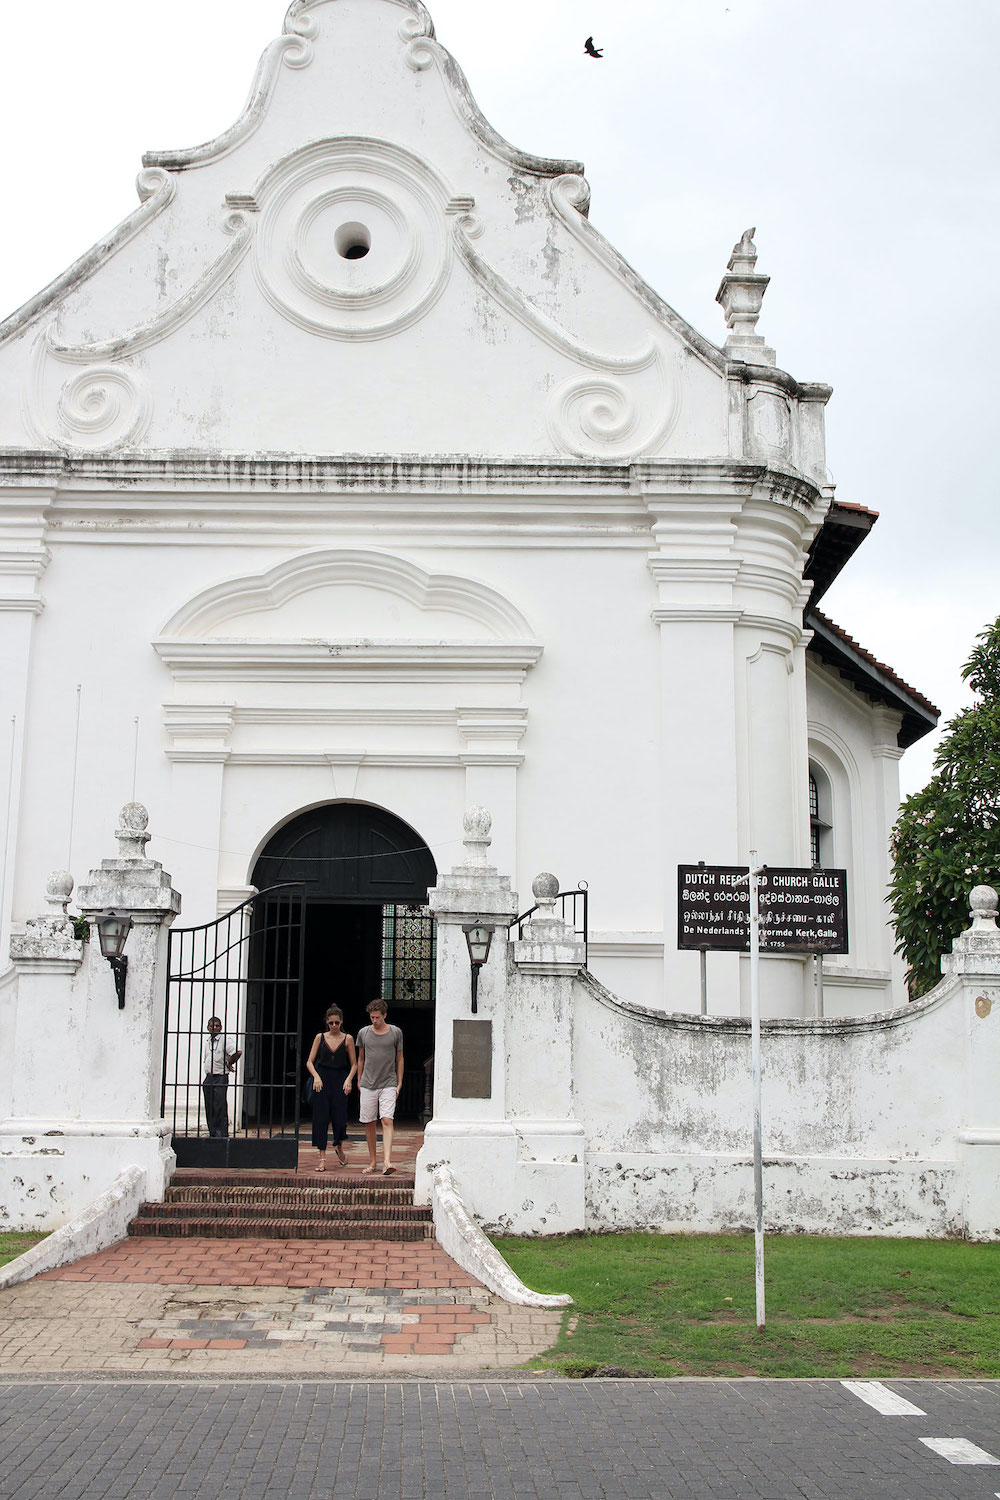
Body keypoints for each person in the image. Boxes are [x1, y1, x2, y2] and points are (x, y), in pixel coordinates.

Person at [305, 1005, 357, 1171]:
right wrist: (316, 1077)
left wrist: (349, 1079)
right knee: (320, 1119)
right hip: (322, 1079)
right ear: (327, 1022)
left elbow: (354, 1063)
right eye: (331, 1023)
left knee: (340, 1119)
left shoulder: (348, 1038)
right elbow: (309, 1061)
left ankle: (339, 1145)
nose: (334, 1026)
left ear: (341, 1022)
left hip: (340, 1078)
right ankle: (322, 1158)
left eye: (337, 1022)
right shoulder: (320, 1037)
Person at [356, 998, 404, 1175]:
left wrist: (399, 1082)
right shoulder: (363, 1033)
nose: (374, 1021)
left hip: (388, 1082)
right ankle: (373, 1161)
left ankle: (387, 1161)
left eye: (377, 1017)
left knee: (387, 1119)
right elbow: (361, 1057)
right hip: (368, 1083)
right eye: (372, 1017)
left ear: (384, 1015)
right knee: (369, 1122)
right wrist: (359, 1080)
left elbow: (400, 1058)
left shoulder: (396, 1033)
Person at [201, 1016, 241, 1138]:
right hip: (209, 1077)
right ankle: (212, 1132)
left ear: (221, 1027)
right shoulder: (208, 1041)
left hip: (220, 1076)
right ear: (208, 1028)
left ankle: (221, 1133)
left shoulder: (224, 1039)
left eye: (217, 1026)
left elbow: (237, 1052)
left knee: (219, 1106)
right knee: (210, 1106)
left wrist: (230, 1063)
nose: (215, 1028)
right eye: (212, 1026)